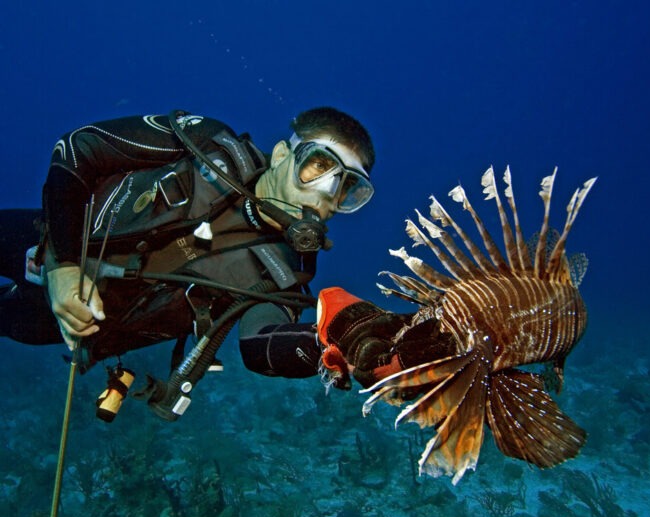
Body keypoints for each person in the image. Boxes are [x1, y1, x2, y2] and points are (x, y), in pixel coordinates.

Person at [0, 108, 379, 416]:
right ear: (282, 155)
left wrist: (345, 342)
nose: (327, 193)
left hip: (66, 325)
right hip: (43, 242)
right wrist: (65, 266)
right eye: (318, 166)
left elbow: (261, 346)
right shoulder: (204, 144)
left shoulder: (284, 272)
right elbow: (79, 147)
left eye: (347, 186)